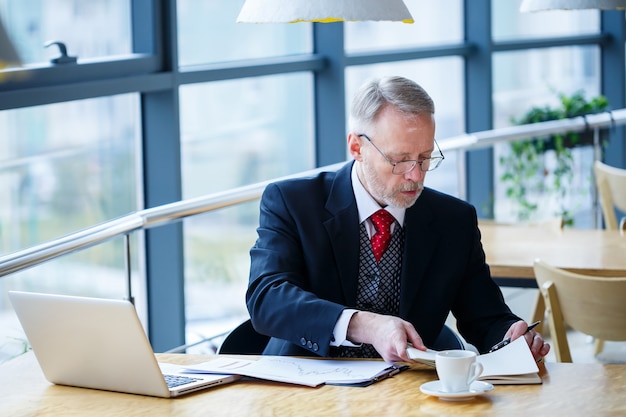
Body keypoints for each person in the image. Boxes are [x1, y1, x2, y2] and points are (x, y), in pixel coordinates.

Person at [247, 75, 550, 363]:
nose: (415, 175)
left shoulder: (454, 220)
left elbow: (486, 318)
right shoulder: (293, 202)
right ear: (357, 147)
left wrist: (510, 339)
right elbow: (267, 298)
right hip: (304, 391)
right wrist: (362, 324)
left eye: (425, 158)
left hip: (406, 394)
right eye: (400, 159)